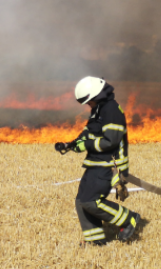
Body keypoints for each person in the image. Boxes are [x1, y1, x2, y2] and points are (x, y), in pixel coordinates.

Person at [55, 76, 143, 245]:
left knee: (91, 201)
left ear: (97, 96)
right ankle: (95, 240)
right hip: (95, 163)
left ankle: (129, 219)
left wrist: (120, 176)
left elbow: (111, 141)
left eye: (90, 101)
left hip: (108, 165)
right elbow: (88, 134)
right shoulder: (99, 110)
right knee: (82, 201)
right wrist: (71, 145)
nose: (89, 105)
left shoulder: (112, 111)